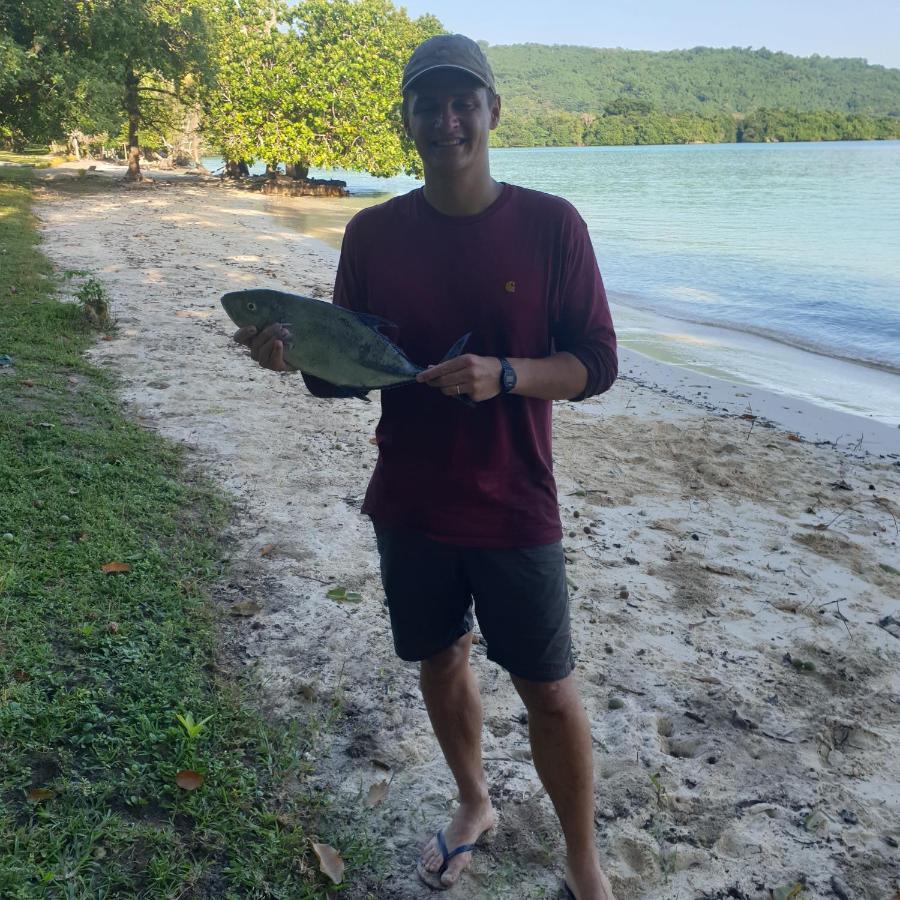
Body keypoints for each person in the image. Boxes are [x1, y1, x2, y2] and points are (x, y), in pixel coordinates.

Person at [235, 33, 618, 900]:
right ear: (406, 118)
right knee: (439, 661)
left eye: (462, 102)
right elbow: (348, 374)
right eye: (426, 105)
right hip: (408, 500)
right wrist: (291, 361)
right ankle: (474, 803)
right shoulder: (372, 233)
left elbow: (596, 362)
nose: (446, 120)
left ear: (492, 111)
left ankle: (584, 864)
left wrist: (505, 376)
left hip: (518, 503)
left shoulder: (553, 225)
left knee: (550, 690)